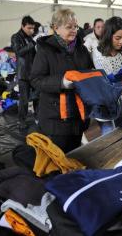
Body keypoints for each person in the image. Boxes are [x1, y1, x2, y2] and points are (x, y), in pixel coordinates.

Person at [30, 8, 94, 153]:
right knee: (59, 156)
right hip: (56, 117)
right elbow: (36, 79)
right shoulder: (45, 50)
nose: (74, 30)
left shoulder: (81, 49)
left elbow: (89, 70)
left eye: (75, 26)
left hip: (78, 114)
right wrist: (61, 82)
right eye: (69, 27)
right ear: (56, 28)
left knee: (76, 154)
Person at [11, 15, 38, 129]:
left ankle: (38, 117)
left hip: (34, 72)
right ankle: (21, 120)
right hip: (23, 74)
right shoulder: (16, 37)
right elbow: (18, 52)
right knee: (24, 100)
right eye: (29, 28)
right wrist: (32, 44)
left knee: (38, 96)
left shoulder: (30, 38)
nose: (31, 30)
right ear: (22, 26)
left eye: (32, 28)